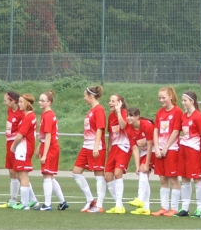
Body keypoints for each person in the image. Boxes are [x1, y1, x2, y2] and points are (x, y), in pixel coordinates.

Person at [73, 85, 107, 213]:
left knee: (98, 174)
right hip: (86, 146)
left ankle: (99, 205)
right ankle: (90, 199)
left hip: (95, 147)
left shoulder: (99, 110)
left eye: (85, 96)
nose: (84, 98)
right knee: (76, 172)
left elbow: (100, 128)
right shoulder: (91, 110)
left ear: (91, 96)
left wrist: (96, 146)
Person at [152, 86, 183, 216]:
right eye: (159, 98)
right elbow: (156, 130)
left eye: (163, 97)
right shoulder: (160, 112)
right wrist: (157, 147)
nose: (161, 100)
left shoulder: (177, 111)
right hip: (160, 150)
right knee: (162, 179)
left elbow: (176, 131)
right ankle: (164, 207)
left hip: (172, 149)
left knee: (172, 179)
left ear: (170, 97)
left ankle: (174, 208)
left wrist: (165, 148)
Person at [37, 91, 68, 211]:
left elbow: (48, 136)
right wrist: (38, 148)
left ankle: (47, 204)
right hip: (48, 146)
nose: (40, 102)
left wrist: (44, 154)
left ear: (49, 102)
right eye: (39, 100)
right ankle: (62, 202)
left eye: (43, 100)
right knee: (49, 176)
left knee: (47, 175)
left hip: (51, 147)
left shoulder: (49, 115)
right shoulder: (44, 114)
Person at [177, 91, 201, 217]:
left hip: (194, 150)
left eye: (185, 100)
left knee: (197, 179)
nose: (183, 103)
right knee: (184, 179)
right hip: (184, 148)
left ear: (192, 101)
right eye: (182, 100)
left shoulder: (198, 116)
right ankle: (185, 207)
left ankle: (200, 208)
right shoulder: (183, 116)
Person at [104, 94, 131, 214]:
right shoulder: (110, 116)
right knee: (108, 176)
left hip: (124, 147)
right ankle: (118, 204)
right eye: (109, 101)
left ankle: (119, 206)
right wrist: (109, 150)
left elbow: (123, 125)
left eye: (113, 101)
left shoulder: (124, 112)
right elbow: (111, 135)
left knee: (117, 173)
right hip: (114, 148)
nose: (110, 103)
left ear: (119, 102)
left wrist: (119, 111)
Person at [10, 93, 38, 210]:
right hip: (23, 148)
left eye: (21, 102)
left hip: (24, 149)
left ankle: (25, 203)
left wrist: (13, 146)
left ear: (27, 103)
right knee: (19, 175)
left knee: (23, 175)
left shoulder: (29, 117)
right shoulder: (27, 116)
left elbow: (20, 136)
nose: (19, 104)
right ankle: (32, 200)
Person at [126, 108, 155, 215]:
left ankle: (140, 199)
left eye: (131, 115)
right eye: (127, 116)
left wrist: (146, 164)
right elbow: (135, 149)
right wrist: (138, 166)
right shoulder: (129, 128)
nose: (128, 118)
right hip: (144, 151)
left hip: (154, 149)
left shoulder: (146, 125)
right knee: (142, 173)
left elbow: (150, 145)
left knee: (144, 171)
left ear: (137, 116)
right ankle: (145, 208)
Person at [0, 91, 24, 208]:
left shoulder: (21, 114)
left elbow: (22, 132)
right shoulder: (10, 110)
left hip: (17, 144)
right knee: (11, 172)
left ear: (13, 101)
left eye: (6, 100)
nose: (4, 102)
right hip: (9, 143)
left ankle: (29, 199)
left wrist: (15, 144)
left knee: (20, 174)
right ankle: (12, 200)